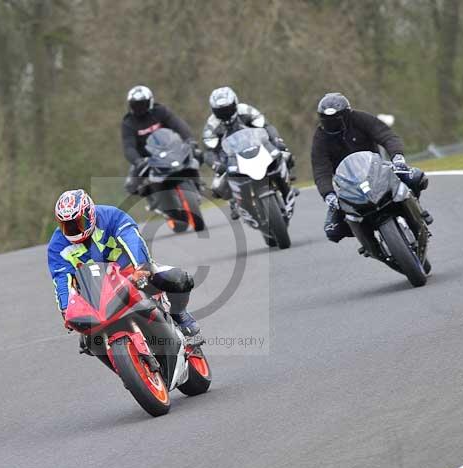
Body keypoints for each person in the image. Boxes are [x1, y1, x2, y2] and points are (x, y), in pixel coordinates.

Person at [47, 189, 201, 353]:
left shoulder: (111, 216)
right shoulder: (57, 246)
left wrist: (141, 267)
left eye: (77, 223)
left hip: (131, 272)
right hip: (95, 292)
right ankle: (125, 364)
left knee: (179, 279)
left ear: (89, 214)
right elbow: (61, 278)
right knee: (89, 342)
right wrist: (66, 309)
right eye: (66, 225)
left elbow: (132, 239)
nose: (72, 229)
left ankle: (178, 313)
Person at [310, 92, 431, 242]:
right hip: (347, 184)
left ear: (347, 115)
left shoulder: (360, 119)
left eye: (336, 119)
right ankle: (369, 242)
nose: (331, 123)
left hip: (377, 169)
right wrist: (328, 194)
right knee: (333, 230)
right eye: (326, 120)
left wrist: (397, 157)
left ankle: (418, 213)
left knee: (415, 177)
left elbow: (386, 135)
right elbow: (320, 169)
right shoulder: (320, 137)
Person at [201, 86, 297, 220]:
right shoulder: (211, 126)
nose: (225, 114)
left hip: (256, 148)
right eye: (221, 111)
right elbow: (209, 151)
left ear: (235, 103)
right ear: (214, 111)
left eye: (228, 109)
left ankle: (285, 185)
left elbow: (267, 127)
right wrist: (217, 165)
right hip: (230, 158)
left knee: (285, 155)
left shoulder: (246, 111)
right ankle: (235, 201)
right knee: (217, 187)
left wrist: (277, 142)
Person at [121, 85, 199, 199]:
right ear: (130, 105)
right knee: (131, 185)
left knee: (196, 154)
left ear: (150, 102)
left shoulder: (160, 111)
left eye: (142, 104)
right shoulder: (128, 123)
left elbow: (178, 125)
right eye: (135, 105)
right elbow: (128, 147)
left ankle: (198, 184)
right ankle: (154, 201)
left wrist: (189, 140)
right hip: (146, 158)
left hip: (170, 150)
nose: (139, 108)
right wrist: (138, 161)